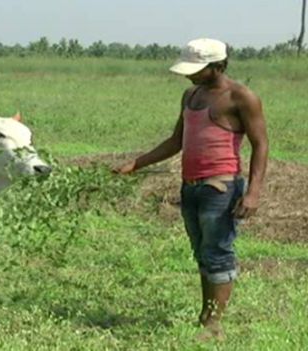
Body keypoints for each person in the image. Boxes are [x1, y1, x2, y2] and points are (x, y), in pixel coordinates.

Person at [114, 38, 268, 341]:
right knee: (202, 253)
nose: (190, 75)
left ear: (218, 66)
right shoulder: (191, 95)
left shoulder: (241, 97)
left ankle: (214, 326)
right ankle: (206, 315)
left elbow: (261, 144)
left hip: (220, 187)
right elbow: (176, 141)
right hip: (191, 187)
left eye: (197, 70)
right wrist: (136, 164)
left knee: (218, 253)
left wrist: (253, 193)